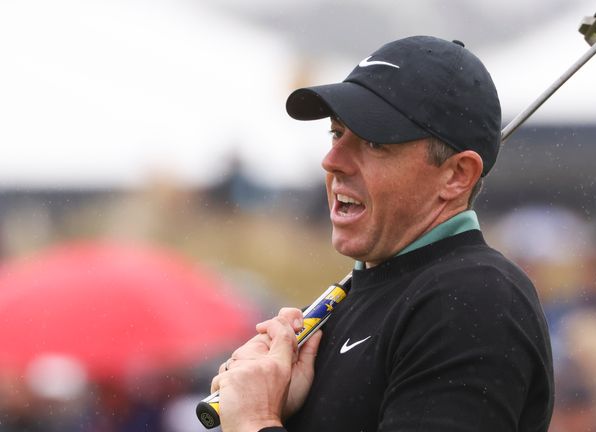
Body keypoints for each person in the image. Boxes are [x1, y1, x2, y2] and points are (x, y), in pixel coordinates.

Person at [209, 35, 554, 432]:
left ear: (457, 175)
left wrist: (254, 421)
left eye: (374, 142)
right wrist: (286, 408)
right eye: (337, 134)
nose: (332, 160)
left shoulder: (474, 296)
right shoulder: (359, 298)